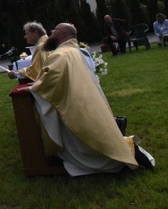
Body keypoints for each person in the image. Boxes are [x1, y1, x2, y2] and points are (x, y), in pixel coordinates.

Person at [30, 23, 154, 176]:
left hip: (74, 103)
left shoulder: (60, 54)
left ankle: (122, 156)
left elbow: (50, 79)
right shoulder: (73, 50)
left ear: (62, 34)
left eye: (54, 30)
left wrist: (34, 88)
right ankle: (127, 149)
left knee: (81, 147)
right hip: (83, 99)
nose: (50, 33)